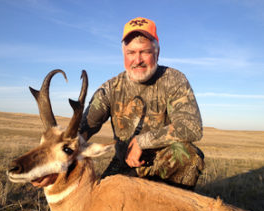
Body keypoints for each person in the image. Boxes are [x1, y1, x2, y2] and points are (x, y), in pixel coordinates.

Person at [79, 17, 204, 190]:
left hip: (163, 164)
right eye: (131, 53)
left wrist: (141, 142)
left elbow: (192, 126)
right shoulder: (110, 89)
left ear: (157, 53)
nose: (138, 60)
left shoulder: (174, 80)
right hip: (125, 165)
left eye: (145, 52)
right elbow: (82, 131)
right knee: (99, 201)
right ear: (124, 54)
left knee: (187, 155)